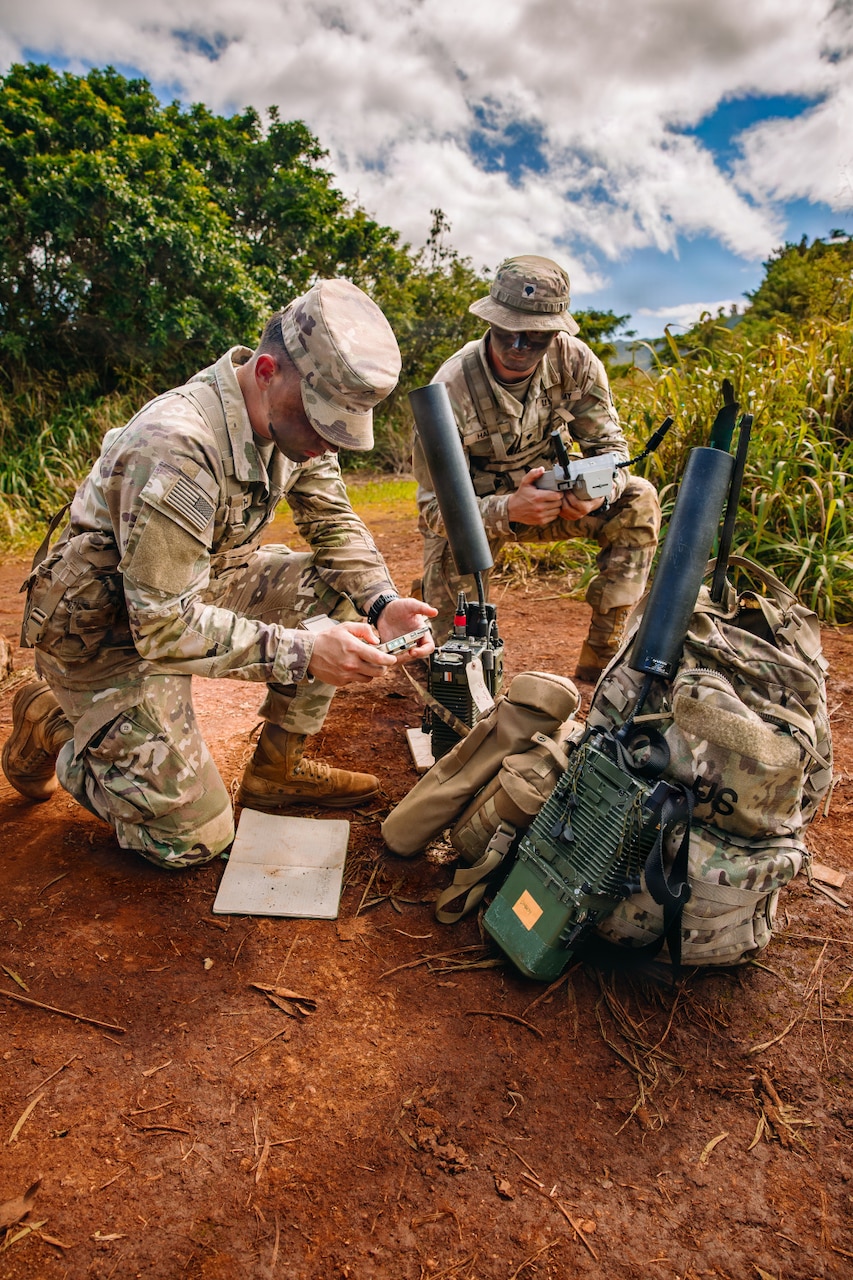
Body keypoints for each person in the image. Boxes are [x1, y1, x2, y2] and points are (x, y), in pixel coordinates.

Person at [2, 279, 436, 869]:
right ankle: (54, 724)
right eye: (320, 421)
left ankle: (277, 769)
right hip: (105, 630)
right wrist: (305, 651)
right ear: (265, 371)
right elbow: (160, 627)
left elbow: (333, 521)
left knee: (343, 590)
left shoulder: (298, 426)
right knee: (191, 840)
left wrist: (382, 602)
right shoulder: (177, 445)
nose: (325, 441)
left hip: (195, 585)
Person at [412, 255, 661, 682]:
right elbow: (433, 510)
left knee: (639, 499)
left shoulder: (577, 363)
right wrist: (509, 509)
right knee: (452, 659)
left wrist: (600, 491)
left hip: (556, 502)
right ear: (490, 322)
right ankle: (435, 615)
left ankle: (604, 656)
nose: (518, 347)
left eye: (536, 337)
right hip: (476, 518)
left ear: (555, 332)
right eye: (507, 332)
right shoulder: (449, 388)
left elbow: (613, 450)